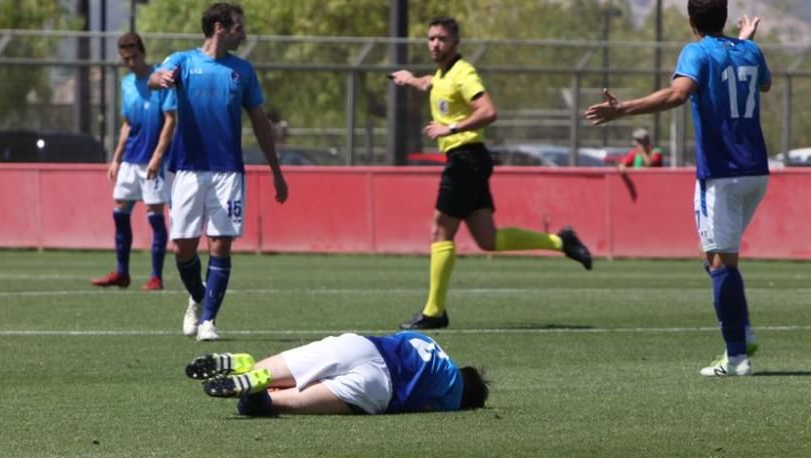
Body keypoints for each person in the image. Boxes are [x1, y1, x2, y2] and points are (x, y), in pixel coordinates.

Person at [585, 4, 767, 377]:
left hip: (722, 172)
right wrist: (743, 42)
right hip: (756, 172)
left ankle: (736, 357)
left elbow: (677, 94)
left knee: (720, 262)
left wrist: (624, 109)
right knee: (711, 252)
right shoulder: (750, 49)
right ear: (724, 16)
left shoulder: (695, 51)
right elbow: (763, 83)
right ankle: (742, 333)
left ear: (691, 21)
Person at [388, 16, 593, 331]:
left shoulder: (463, 72)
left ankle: (434, 312)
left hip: (465, 159)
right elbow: (432, 84)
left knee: (440, 231)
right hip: (469, 160)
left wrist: (451, 127)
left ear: (455, 42)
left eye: (441, 39)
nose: (435, 44)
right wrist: (410, 79)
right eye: (431, 39)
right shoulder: (443, 74)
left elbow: (488, 111)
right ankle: (560, 241)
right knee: (487, 239)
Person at [150, 2, 288, 341]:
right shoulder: (183, 61)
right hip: (187, 169)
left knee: (220, 245)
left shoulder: (243, 71)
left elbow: (260, 121)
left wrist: (276, 169)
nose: (244, 33)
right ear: (219, 27)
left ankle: (209, 321)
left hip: (228, 171)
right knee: (182, 247)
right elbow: (155, 78)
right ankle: (198, 298)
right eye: (239, 27)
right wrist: (161, 78)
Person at [184, 331, 489, 417]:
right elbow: (422, 406)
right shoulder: (452, 397)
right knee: (276, 405)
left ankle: (251, 370)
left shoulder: (429, 343)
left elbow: (399, 337)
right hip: (379, 387)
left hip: (358, 345)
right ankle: (257, 397)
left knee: (268, 370)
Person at [91, 32, 176, 291]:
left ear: (143, 53)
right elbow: (127, 123)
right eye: (126, 58)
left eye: (135, 56)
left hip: (153, 161)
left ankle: (156, 277)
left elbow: (171, 120)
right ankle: (122, 272)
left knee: (154, 215)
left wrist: (158, 156)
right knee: (119, 212)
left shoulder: (161, 78)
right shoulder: (127, 83)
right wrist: (116, 159)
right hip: (130, 159)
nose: (131, 62)